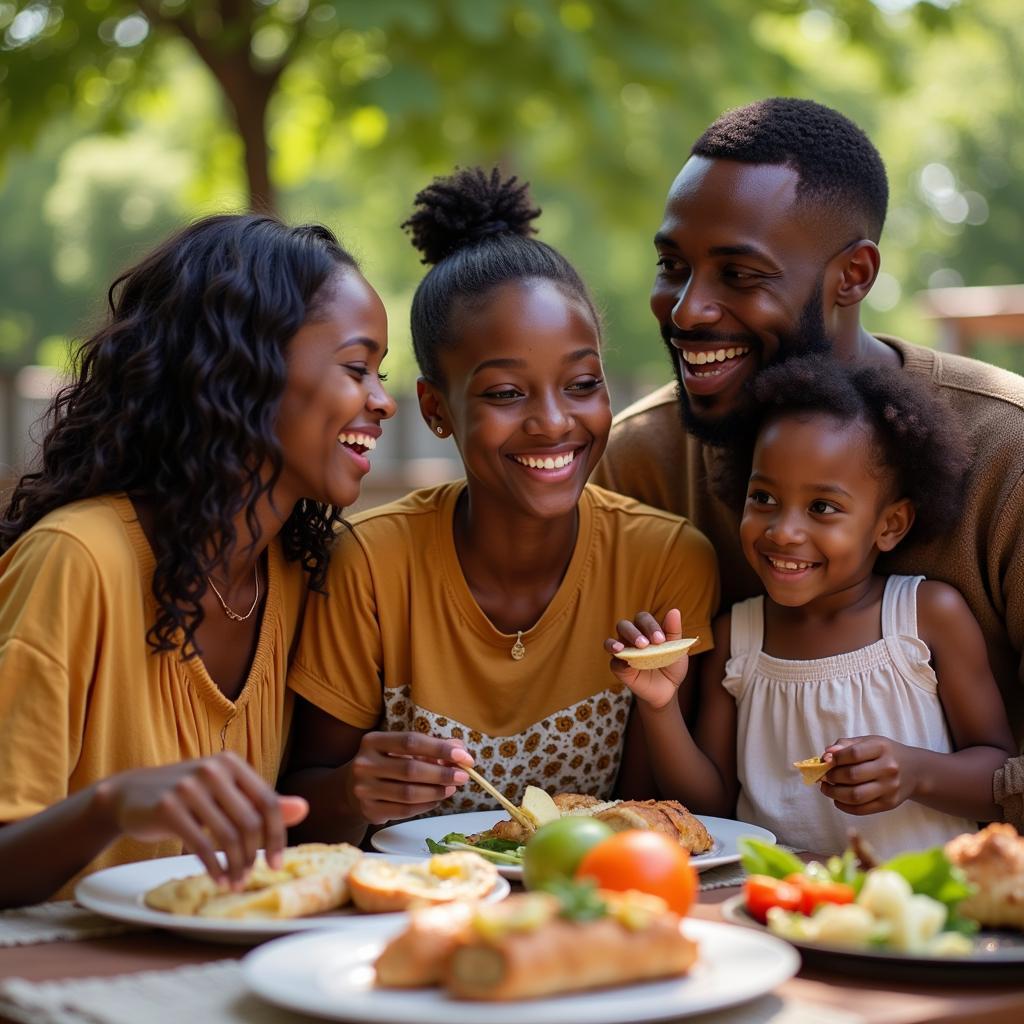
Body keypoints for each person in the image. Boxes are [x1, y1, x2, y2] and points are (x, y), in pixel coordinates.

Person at [591, 98, 1024, 781]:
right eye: (673, 266)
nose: (686, 310)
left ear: (853, 275)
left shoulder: (1009, 454)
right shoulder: (634, 461)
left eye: (739, 275)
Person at [282, 168, 718, 840]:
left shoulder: (665, 562)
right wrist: (356, 791)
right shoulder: (369, 565)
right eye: (506, 394)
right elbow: (305, 803)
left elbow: (647, 812)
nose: (552, 422)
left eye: (581, 383)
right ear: (436, 410)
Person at [0, 214, 396, 906]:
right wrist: (111, 805)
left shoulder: (299, 577)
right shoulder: (77, 560)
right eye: (357, 368)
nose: (383, 400)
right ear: (244, 367)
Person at [606, 356, 1016, 857]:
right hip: (775, 906)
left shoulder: (926, 616)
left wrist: (915, 772)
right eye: (763, 498)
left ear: (890, 525)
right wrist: (661, 706)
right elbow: (710, 806)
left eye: (822, 507)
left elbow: (999, 774)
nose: (783, 531)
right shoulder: (740, 635)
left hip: (916, 912)